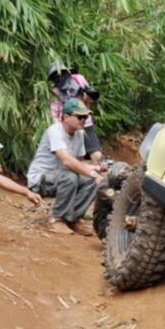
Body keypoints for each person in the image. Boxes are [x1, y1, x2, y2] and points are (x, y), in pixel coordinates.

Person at [27, 98, 105, 235]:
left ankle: (72, 219)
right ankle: (56, 219)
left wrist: (96, 169)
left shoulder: (80, 134)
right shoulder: (55, 131)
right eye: (80, 116)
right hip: (41, 179)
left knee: (92, 181)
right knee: (71, 177)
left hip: (62, 176)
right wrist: (92, 172)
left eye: (85, 117)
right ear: (66, 117)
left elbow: (78, 164)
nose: (83, 120)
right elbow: (67, 162)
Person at [47, 61, 104, 163]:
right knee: (72, 159)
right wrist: (59, 130)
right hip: (68, 128)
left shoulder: (78, 79)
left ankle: (94, 172)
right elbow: (55, 114)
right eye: (56, 76)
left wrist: (86, 95)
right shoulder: (54, 92)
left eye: (62, 73)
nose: (60, 77)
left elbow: (90, 99)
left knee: (97, 156)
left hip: (85, 122)